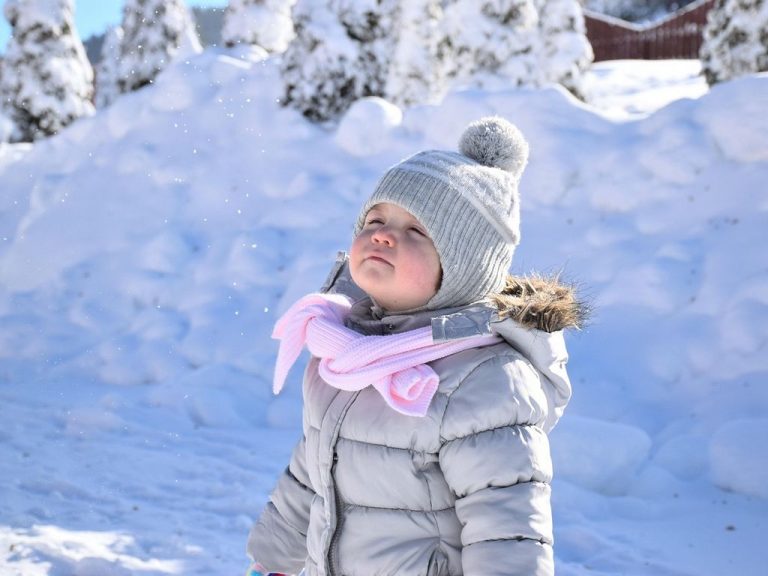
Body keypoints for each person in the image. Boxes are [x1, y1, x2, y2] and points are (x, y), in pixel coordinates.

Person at [246, 116, 583, 576]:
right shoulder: (346, 350)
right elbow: (311, 474)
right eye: (376, 219)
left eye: (417, 231)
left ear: (462, 268)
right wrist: (273, 561)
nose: (383, 234)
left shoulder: (486, 377)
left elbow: (507, 527)